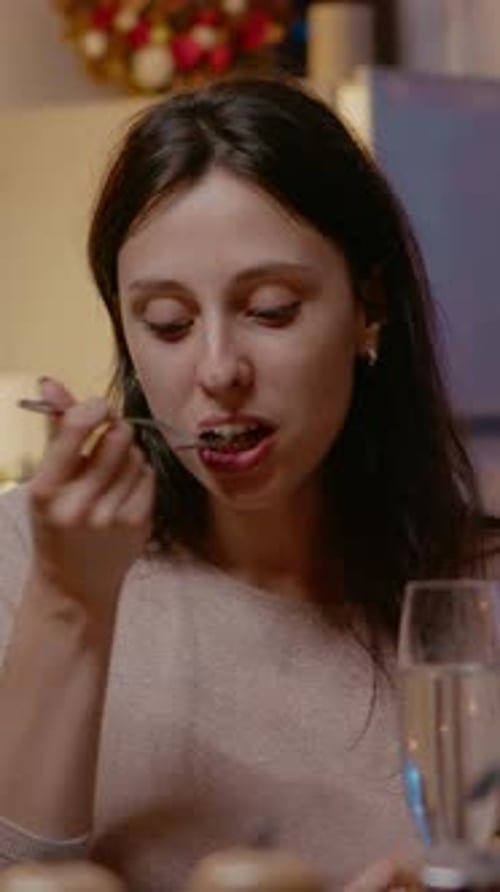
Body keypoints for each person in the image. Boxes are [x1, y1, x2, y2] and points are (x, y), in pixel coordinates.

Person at [0, 73, 497, 892]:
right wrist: (70, 602)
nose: (218, 369)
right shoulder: (28, 557)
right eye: (167, 323)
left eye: (271, 309)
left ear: (369, 305)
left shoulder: (477, 596)